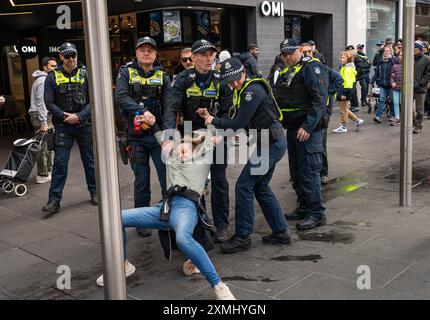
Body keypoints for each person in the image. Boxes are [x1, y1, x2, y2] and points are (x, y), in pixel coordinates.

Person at [96, 124, 236, 300]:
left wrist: (206, 134)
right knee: (117, 219)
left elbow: (216, 133)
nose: (180, 154)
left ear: (195, 151)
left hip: (186, 208)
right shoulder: (172, 161)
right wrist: (153, 122)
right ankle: (122, 264)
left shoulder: (202, 158)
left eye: (184, 151)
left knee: (183, 238)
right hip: (164, 208)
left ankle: (219, 286)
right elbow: (162, 138)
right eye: (178, 152)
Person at [199, 57, 291, 252]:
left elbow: (237, 122)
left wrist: (213, 120)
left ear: (243, 73)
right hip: (269, 141)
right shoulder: (244, 90)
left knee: (243, 185)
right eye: (229, 82)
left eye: (235, 79)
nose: (233, 84)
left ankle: (242, 237)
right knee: (261, 187)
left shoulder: (251, 91)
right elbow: (247, 122)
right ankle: (281, 232)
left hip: (271, 145)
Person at [163, 39, 233, 243]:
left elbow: (229, 109)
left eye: (211, 54)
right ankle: (199, 223)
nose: (209, 58)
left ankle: (222, 225)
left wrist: (222, 132)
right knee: (193, 183)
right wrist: (168, 137)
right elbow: (171, 107)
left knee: (219, 180)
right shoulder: (183, 79)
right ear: (193, 58)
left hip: (215, 133)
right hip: (189, 135)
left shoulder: (221, 79)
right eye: (203, 55)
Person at [115, 37, 170, 237]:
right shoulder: (125, 72)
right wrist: (141, 110)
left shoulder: (163, 76)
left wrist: (168, 134)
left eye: (150, 50)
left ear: (155, 54)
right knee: (141, 180)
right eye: (142, 50)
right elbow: (121, 96)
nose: (146, 53)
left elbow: (168, 105)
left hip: (158, 136)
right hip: (136, 136)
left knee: (167, 177)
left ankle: (168, 214)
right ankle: (141, 221)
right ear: (136, 53)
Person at [274, 38, 328, 230]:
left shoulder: (312, 67)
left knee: (309, 172)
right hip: (293, 128)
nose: (287, 57)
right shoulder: (289, 69)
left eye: (290, 53)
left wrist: (307, 126)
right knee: (296, 171)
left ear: (299, 50)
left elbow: (319, 100)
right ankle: (303, 207)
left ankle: (316, 213)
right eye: (284, 54)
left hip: (308, 130)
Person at [42, 42, 97, 214]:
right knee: (59, 163)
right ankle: (54, 200)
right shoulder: (52, 77)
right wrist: (65, 116)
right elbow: (48, 102)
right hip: (63, 126)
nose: (71, 59)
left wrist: (79, 116)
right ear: (61, 57)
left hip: (84, 124)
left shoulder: (86, 73)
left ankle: (95, 192)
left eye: (73, 55)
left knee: (90, 161)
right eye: (67, 56)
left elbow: (93, 100)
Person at [302, 44, 343, 184]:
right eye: (304, 52)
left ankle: (323, 172)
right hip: (306, 113)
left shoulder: (320, 66)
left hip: (321, 114)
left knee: (321, 145)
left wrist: (327, 94)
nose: (308, 54)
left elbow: (338, 79)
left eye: (310, 52)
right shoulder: (300, 68)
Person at [29, 56, 56, 184]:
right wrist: (44, 122)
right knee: (43, 147)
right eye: (52, 66)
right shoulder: (42, 81)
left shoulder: (47, 79)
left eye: (56, 66)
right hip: (41, 117)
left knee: (49, 145)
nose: (55, 68)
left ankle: (48, 171)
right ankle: (42, 174)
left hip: (46, 116)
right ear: (45, 67)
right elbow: (41, 103)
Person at [333, 52, 364, 133]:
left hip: (344, 92)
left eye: (344, 58)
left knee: (343, 110)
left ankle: (343, 127)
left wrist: (344, 94)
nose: (341, 59)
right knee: (345, 108)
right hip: (344, 91)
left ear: (348, 59)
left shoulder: (347, 69)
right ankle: (357, 121)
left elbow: (348, 83)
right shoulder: (345, 68)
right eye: (341, 57)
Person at [371, 45, 395, 123]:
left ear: (390, 52)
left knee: (392, 100)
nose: (386, 52)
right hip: (382, 84)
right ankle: (378, 116)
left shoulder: (393, 61)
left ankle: (392, 115)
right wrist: (371, 80)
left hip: (391, 84)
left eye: (388, 51)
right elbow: (377, 73)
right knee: (381, 100)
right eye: (385, 51)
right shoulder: (380, 62)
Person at [413, 41, 430, 133]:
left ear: (420, 49)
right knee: (405, 107)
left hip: (420, 88)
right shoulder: (410, 58)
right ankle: (411, 122)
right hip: (409, 87)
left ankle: (418, 126)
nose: (414, 50)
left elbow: (429, 73)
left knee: (419, 109)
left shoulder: (427, 59)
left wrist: (422, 83)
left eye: (415, 48)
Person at [390, 50, 403, 126]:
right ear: (398, 57)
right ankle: (397, 117)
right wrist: (392, 83)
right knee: (395, 103)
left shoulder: (407, 66)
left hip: (403, 88)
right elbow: (391, 76)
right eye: (400, 55)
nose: (401, 57)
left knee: (402, 103)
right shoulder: (394, 66)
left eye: (403, 55)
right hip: (395, 88)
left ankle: (402, 117)